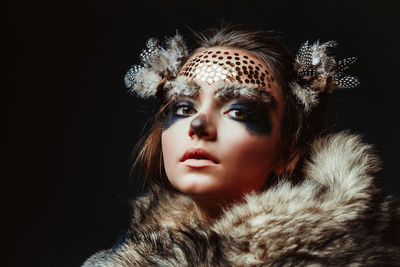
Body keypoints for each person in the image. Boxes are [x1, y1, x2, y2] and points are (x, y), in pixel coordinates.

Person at [83, 26, 399, 266]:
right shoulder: (120, 256)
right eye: (183, 108)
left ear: (286, 150)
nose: (197, 125)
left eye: (238, 111)